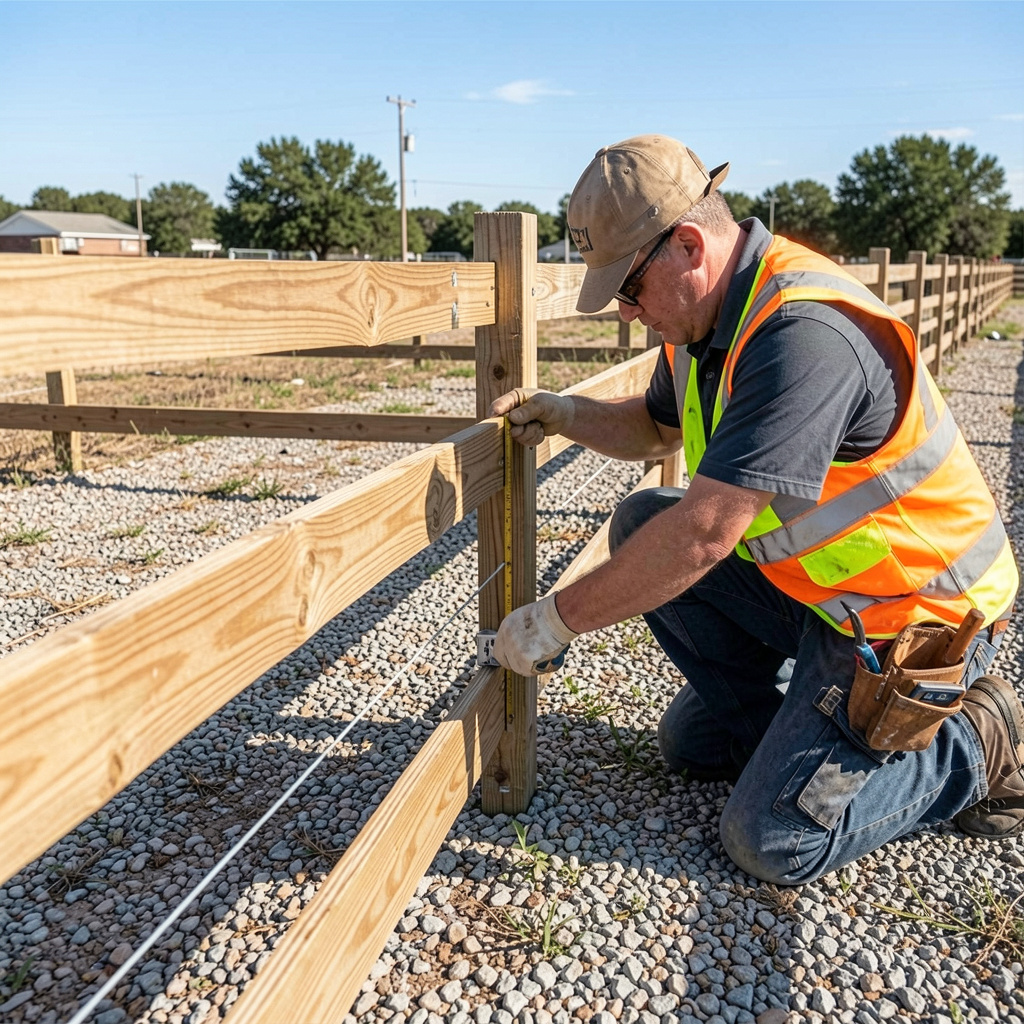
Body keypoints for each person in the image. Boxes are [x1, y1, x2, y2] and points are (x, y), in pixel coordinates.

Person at [489, 134, 1023, 884]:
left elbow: (705, 535)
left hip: (914, 618)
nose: (625, 310)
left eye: (629, 289)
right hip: (827, 600)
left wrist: (553, 620)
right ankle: (813, 744)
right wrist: (565, 412)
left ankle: (973, 739)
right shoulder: (705, 321)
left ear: (686, 245)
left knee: (770, 840)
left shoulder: (801, 336)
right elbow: (656, 425)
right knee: (689, 737)